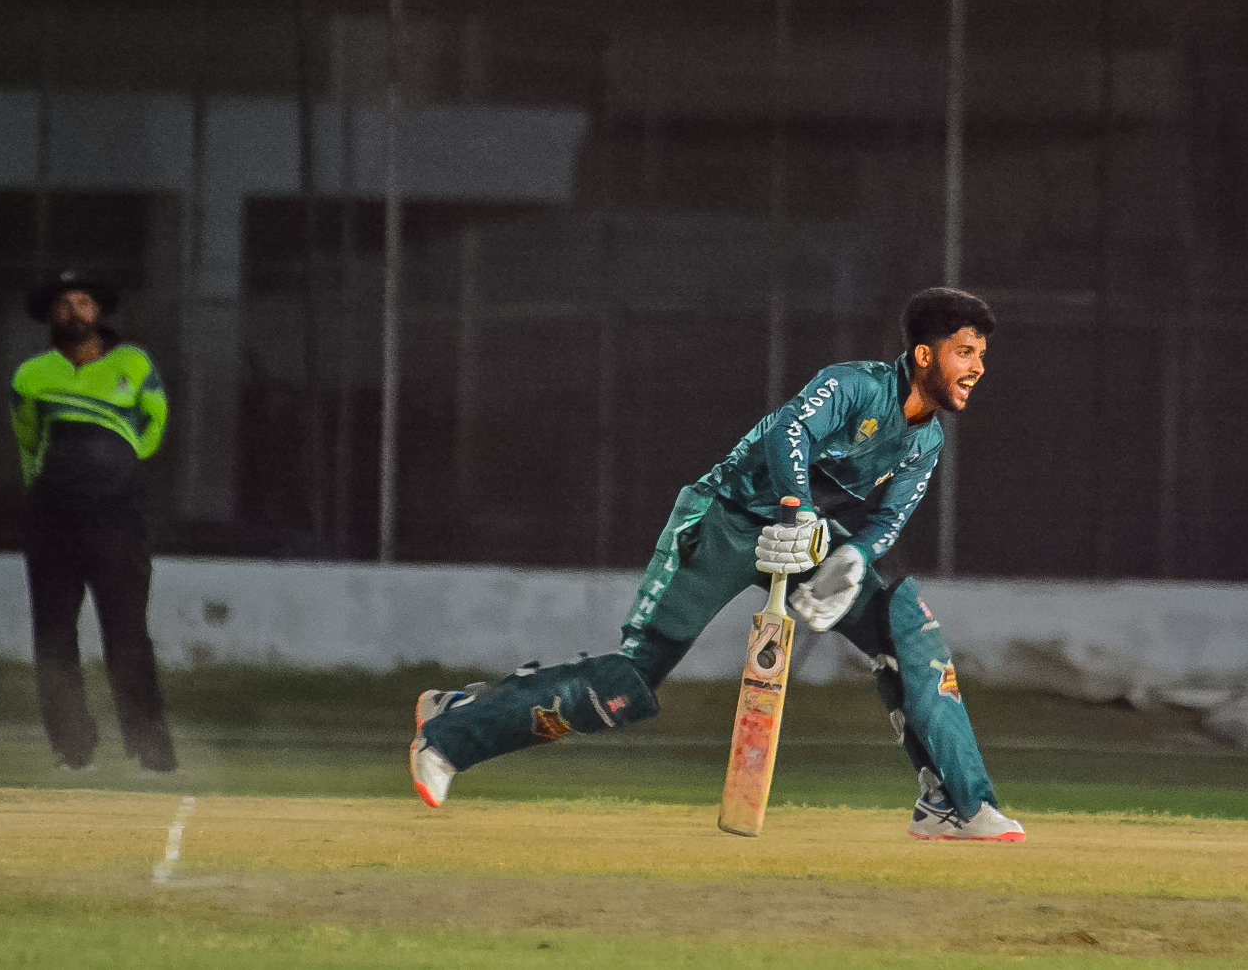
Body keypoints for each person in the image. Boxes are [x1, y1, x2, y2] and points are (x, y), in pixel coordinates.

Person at [411, 287, 1022, 842]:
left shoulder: (926, 440)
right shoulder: (853, 386)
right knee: (626, 686)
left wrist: (854, 559)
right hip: (725, 518)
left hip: (806, 543)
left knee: (905, 626)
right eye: (965, 352)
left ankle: (954, 803)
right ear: (923, 354)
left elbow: (888, 519)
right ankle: (452, 733)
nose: (978, 368)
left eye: (981, 355)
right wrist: (799, 511)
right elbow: (788, 433)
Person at [12, 269, 178, 775]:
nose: (73, 312)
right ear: (50, 317)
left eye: (82, 302)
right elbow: (27, 441)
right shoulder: (31, 375)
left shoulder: (133, 363)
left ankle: (151, 752)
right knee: (53, 636)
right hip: (54, 519)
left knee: (127, 634)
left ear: (98, 311)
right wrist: (48, 490)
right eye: (63, 304)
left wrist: (122, 466)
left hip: (117, 518)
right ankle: (73, 748)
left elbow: (155, 421)